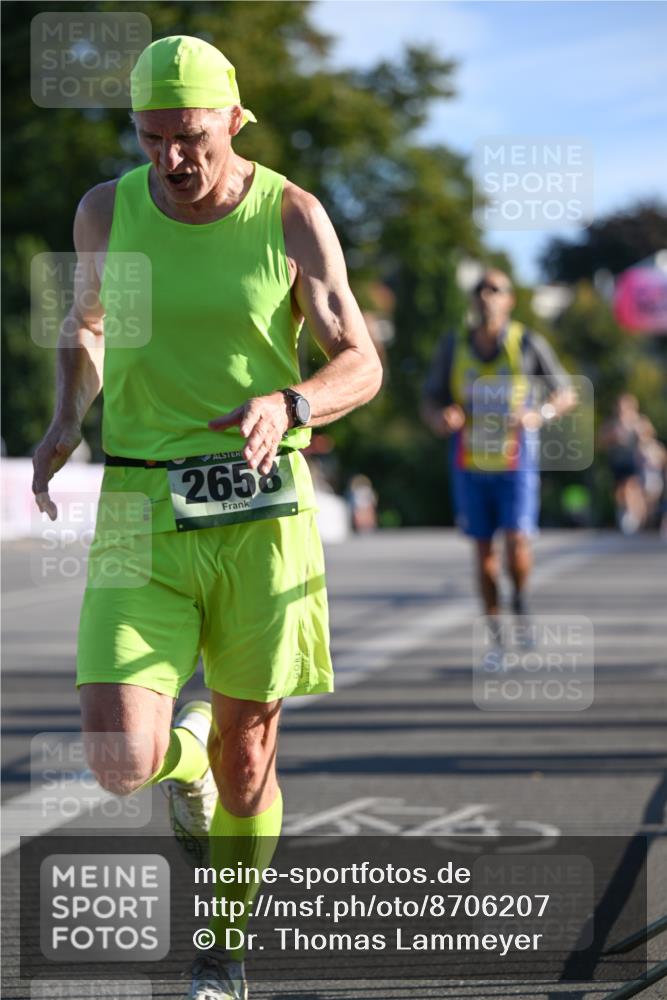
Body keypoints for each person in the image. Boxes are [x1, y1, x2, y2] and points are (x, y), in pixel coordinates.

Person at [31, 35, 382, 1000]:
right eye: (151, 140)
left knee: (249, 760)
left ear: (233, 120)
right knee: (117, 758)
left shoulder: (293, 216)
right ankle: (177, 759)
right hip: (142, 503)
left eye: (190, 139)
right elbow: (90, 323)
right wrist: (69, 415)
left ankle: (220, 953)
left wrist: (294, 402)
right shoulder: (106, 210)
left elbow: (362, 359)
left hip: (260, 513)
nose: (171, 161)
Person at [421, 269, 575, 634]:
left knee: (517, 541)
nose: (486, 295)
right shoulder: (453, 345)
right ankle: (494, 628)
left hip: (515, 460)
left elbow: (565, 393)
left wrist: (539, 414)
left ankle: (520, 594)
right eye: (479, 289)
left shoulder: (526, 343)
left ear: (510, 300)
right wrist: (441, 416)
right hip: (470, 461)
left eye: (495, 289)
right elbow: (430, 399)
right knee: (483, 552)